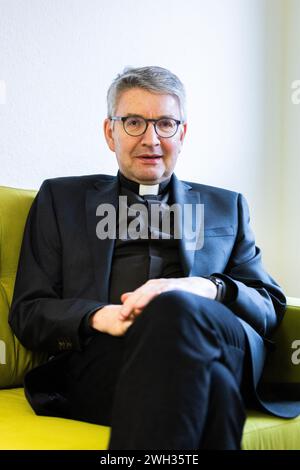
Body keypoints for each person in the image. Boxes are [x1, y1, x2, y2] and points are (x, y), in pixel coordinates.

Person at [8, 66, 292, 450]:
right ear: (111, 132)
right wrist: (98, 316)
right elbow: (29, 311)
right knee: (214, 385)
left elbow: (269, 306)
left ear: (183, 133)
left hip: (217, 338)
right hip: (108, 356)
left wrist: (207, 287)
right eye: (135, 122)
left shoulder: (226, 206)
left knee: (175, 308)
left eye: (165, 124)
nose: (151, 139)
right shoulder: (61, 201)